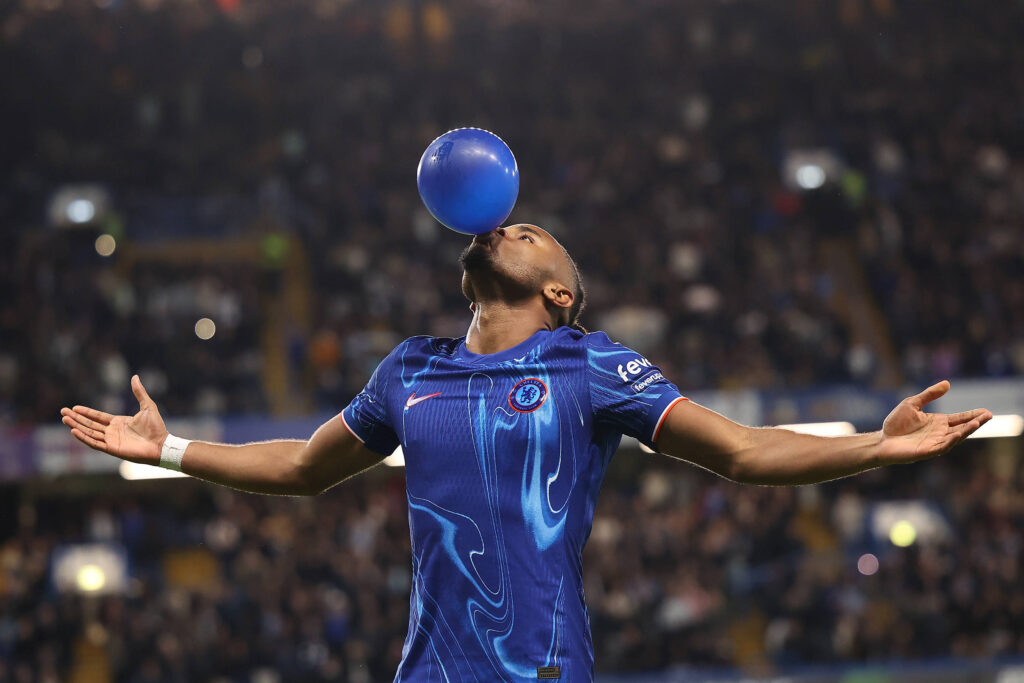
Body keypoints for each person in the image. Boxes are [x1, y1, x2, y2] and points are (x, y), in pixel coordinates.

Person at [61, 224, 991, 682]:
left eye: (532, 230)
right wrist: (171, 447)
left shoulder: (591, 363)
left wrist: (876, 444)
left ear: (557, 290)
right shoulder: (408, 368)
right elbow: (304, 467)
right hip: (425, 668)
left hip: (536, 666)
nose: (507, 221)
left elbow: (743, 451)